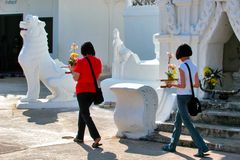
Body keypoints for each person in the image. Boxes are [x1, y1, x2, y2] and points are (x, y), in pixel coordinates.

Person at [162, 44, 209, 157]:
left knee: (187, 123)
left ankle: (202, 147)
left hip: (182, 97)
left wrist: (172, 84)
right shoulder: (194, 66)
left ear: (180, 54)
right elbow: (196, 84)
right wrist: (187, 85)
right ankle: (172, 145)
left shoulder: (182, 66)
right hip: (190, 96)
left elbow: (182, 85)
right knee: (178, 122)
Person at [70, 41, 102, 148]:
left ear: (83, 51)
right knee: (83, 112)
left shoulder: (80, 61)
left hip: (82, 91)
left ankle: (96, 136)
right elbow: (96, 77)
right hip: (93, 91)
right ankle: (79, 136)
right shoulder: (98, 61)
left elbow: (76, 78)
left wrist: (72, 69)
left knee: (85, 114)